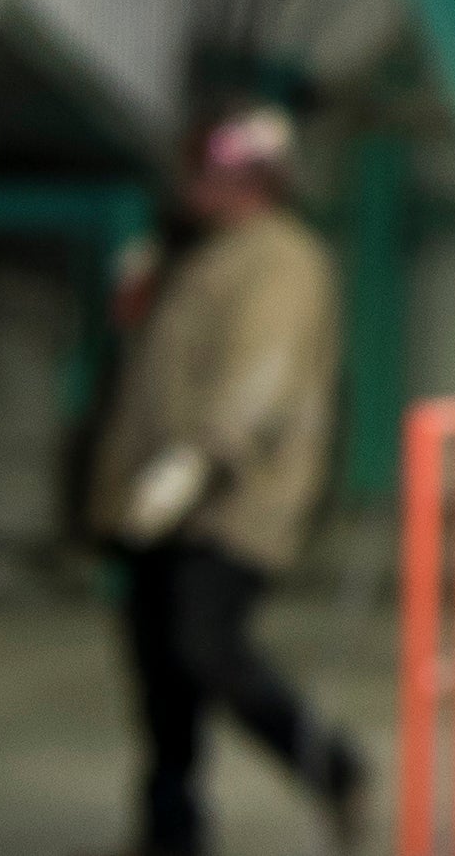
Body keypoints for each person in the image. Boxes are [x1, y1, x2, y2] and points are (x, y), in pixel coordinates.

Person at [91, 104, 367, 852]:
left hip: (234, 500)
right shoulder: (202, 255)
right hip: (157, 500)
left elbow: (262, 373)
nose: (194, 185)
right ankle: (169, 826)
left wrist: (198, 460)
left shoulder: (280, 259)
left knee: (205, 648)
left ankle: (333, 767)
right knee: (157, 667)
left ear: (256, 180)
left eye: (211, 172)